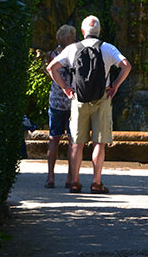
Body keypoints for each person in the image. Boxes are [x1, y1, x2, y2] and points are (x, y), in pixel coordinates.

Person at [46, 15, 131, 194]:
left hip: (78, 99)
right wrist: (115, 85)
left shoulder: (72, 49)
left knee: (77, 142)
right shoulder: (108, 48)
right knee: (99, 142)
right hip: (102, 99)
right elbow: (126, 66)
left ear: (83, 32)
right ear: (99, 31)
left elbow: (51, 68)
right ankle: (96, 182)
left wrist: (65, 88)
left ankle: (75, 182)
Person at [43, 24, 76, 188]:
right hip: (72, 102)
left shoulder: (51, 55)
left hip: (56, 101)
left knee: (53, 138)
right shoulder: (75, 56)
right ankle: (70, 178)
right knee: (72, 140)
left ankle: (50, 176)